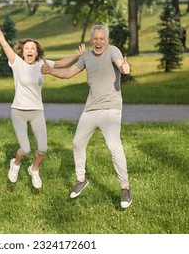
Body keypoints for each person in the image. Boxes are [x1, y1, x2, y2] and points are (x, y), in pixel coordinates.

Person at [0, 7, 85, 189]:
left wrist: (77, 55)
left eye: (33, 48)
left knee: (43, 149)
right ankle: (15, 164)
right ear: (22, 52)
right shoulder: (17, 63)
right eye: (26, 48)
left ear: (37, 52)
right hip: (19, 112)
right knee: (25, 149)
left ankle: (34, 169)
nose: (30, 50)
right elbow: (5, 44)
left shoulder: (41, 64)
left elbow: (61, 63)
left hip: (37, 112)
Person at [41, 24, 132, 208]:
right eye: (95, 39)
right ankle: (81, 179)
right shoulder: (87, 57)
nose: (98, 42)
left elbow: (121, 64)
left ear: (107, 40)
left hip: (110, 108)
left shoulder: (113, 51)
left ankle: (125, 188)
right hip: (91, 108)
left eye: (102, 39)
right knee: (77, 142)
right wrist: (51, 71)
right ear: (91, 40)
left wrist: (125, 67)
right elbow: (67, 73)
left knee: (114, 147)